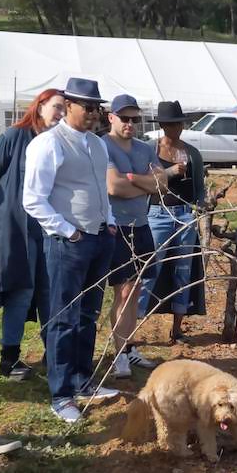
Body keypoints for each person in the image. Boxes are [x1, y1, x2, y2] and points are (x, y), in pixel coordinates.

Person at [23, 78, 119, 423]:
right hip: (68, 243)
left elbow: (101, 190)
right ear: (69, 106)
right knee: (63, 318)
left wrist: (108, 222)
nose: (95, 113)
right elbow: (33, 198)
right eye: (89, 107)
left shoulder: (97, 143)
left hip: (98, 238)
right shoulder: (49, 144)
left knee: (88, 315)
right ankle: (61, 395)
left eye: (98, 107)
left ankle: (82, 380)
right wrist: (69, 231)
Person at [0, 89, 65, 380]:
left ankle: (54, 352)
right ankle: (10, 359)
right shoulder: (14, 137)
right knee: (21, 290)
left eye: (65, 108)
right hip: (16, 228)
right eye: (57, 107)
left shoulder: (59, 142)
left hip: (48, 227)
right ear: (40, 106)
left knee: (49, 291)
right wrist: (11, 208)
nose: (61, 113)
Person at [138, 101, 206, 343]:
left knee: (183, 271)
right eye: (169, 124)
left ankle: (177, 329)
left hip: (185, 214)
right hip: (157, 213)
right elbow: (143, 181)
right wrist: (169, 172)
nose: (174, 128)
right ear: (162, 126)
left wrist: (202, 205)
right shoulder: (149, 150)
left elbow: (199, 188)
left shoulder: (192, 153)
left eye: (177, 123)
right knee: (148, 269)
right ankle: (133, 329)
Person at [104, 94, 159, 378]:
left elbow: (160, 183)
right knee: (123, 292)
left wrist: (134, 180)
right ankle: (120, 354)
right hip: (117, 228)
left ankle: (129, 346)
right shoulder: (103, 146)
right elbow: (114, 188)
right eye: (124, 118)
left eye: (134, 119)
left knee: (136, 290)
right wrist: (145, 184)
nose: (129, 123)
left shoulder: (145, 148)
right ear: (110, 117)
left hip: (141, 225)